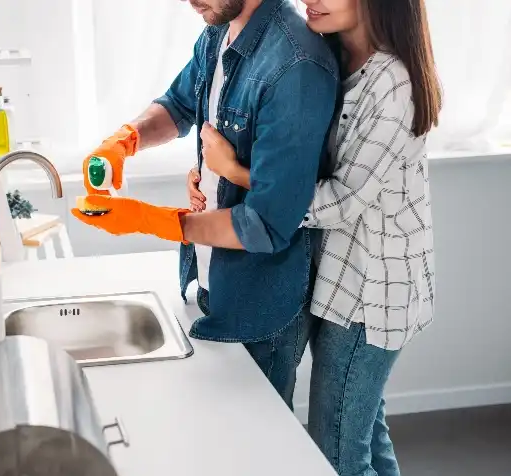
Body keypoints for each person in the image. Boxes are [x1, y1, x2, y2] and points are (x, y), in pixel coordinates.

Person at [191, 0, 441, 474]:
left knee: (340, 453)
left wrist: (233, 172)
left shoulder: (395, 84)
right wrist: (207, 174)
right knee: (365, 432)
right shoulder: (333, 56)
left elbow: (343, 200)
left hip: (371, 294)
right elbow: (293, 157)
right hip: (337, 276)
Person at [72, 0, 338, 410]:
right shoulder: (219, 27)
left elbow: (266, 224)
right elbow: (178, 104)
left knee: (255, 447)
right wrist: (126, 140)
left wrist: (150, 220)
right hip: (213, 280)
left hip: (259, 302)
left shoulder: (296, 65)